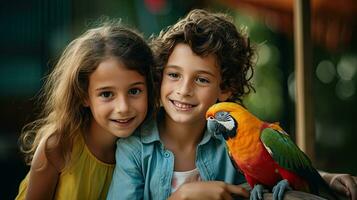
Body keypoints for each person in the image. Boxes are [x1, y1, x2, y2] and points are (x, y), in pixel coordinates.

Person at [107, 9, 357, 200]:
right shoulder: (134, 148)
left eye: (202, 79)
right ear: (160, 77)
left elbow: (278, 171)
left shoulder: (238, 142)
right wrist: (182, 196)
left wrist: (325, 179)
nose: (184, 90)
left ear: (225, 89)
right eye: (174, 75)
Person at [15, 20, 157, 200]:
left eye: (134, 91)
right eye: (106, 94)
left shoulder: (150, 146)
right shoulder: (58, 146)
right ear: (83, 95)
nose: (123, 107)